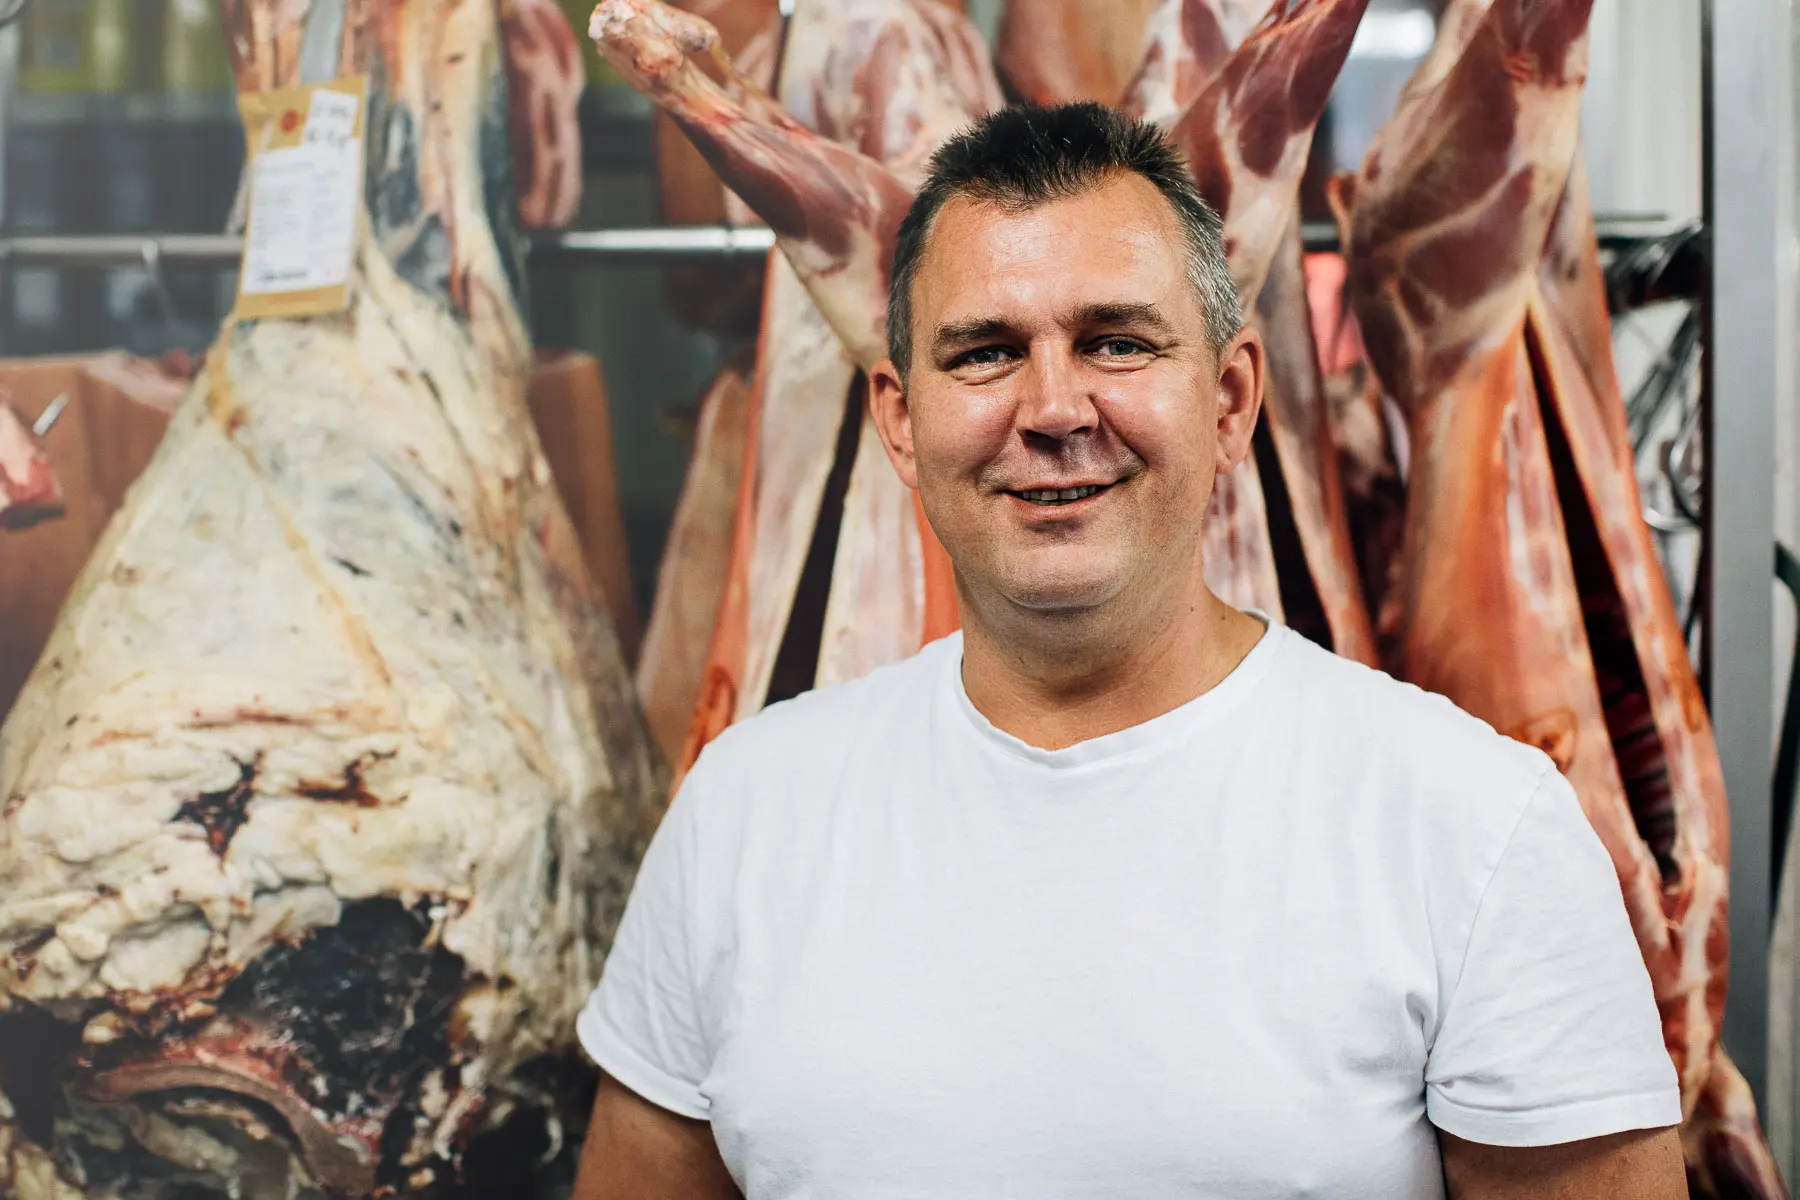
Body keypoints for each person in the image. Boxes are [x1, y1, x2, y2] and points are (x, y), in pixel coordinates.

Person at [569, 103, 1686, 1199]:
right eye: (986, 353)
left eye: (1116, 341)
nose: (1054, 409)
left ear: (1231, 399)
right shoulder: (745, 814)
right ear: (901, 423)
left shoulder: (1476, 826)